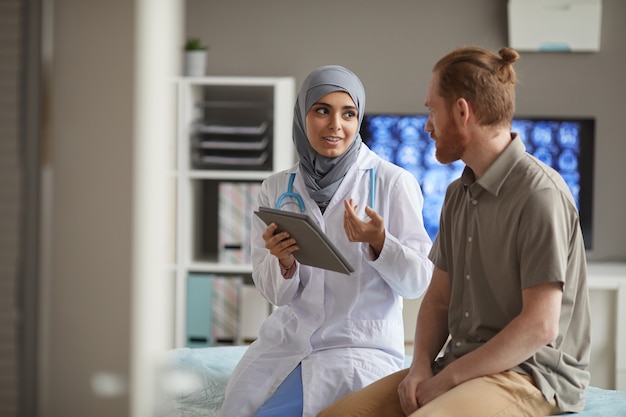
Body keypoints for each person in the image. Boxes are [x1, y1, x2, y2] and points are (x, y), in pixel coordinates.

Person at [317, 47, 591, 417]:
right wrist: (420, 368)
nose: (427, 126)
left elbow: (540, 326)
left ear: (462, 112)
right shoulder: (456, 193)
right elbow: (439, 298)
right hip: (462, 363)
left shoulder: (539, 194)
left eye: (432, 110)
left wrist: (447, 380)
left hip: (529, 374)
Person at [217, 65, 434, 417]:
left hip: (360, 346)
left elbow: (417, 282)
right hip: (288, 342)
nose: (336, 125)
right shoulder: (276, 187)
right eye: (322, 110)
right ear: (302, 117)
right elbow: (274, 293)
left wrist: (381, 243)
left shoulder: (393, 182)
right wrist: (285, 263)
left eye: (349, 114)